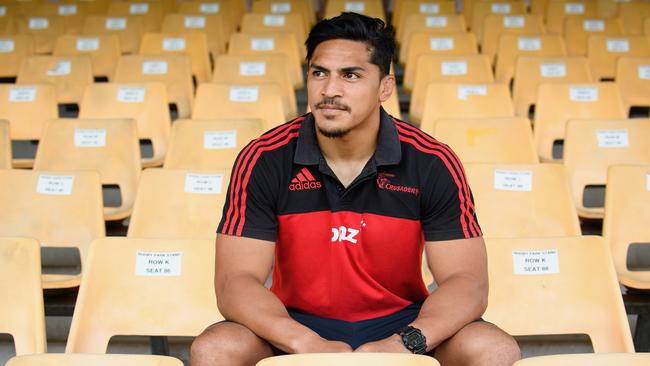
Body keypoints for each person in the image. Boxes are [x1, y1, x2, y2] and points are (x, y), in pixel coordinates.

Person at [191, 12, 521, 366]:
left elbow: (467, 282)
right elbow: (234, 283)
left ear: (385, 87)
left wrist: (405, 342)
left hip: (402, 322)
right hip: (293, 321)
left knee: (495, 349)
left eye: (350, 75)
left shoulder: (432, 161)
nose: (330, 90)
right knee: (214, 349)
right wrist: (304, 341)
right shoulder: (264, 158)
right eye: (319, 73)